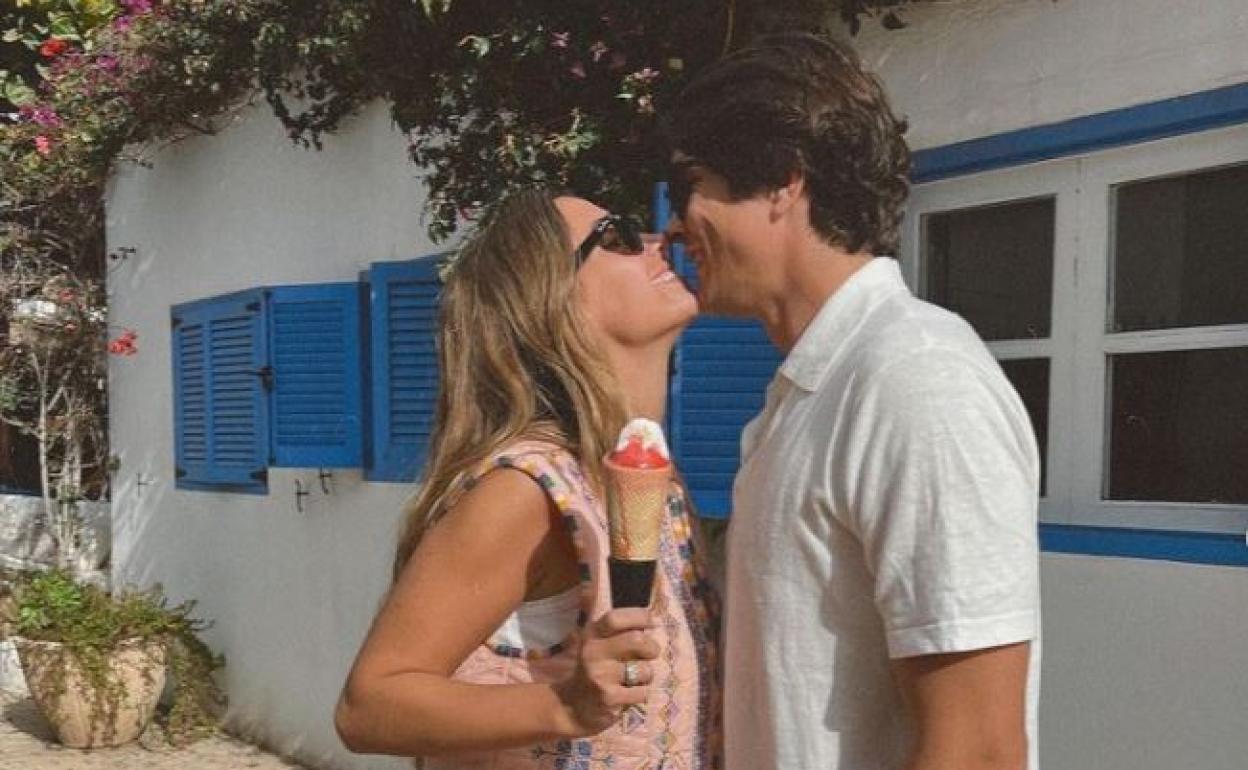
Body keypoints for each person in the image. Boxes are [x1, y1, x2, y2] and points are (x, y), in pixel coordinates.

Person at [663, 33, 1041, 770]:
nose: (677, 225)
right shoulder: (813, 392)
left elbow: (981, 749)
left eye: (690, 185)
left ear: (782, 182)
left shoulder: (914, 380)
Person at [334, 189, 720, 770]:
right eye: (615, 235)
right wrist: (565, 704)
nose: (652, 241)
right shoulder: (526, 489)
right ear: (552, 300)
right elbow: (369, 704)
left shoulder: (646, 479)